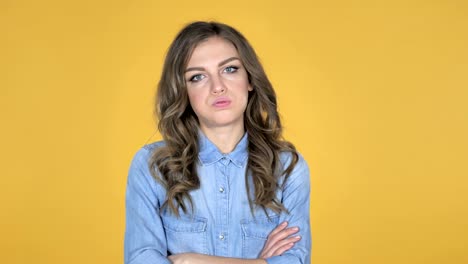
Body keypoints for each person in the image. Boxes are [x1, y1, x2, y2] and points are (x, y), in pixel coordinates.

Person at [124, 21, 311, 264]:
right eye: (197, 77)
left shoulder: (288, 169)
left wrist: (192, 260)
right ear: (183, 91)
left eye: (230, 69)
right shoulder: (152, 167)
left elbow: (295, 260)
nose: (218, 87)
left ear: (250, 79)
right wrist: (260, 263)